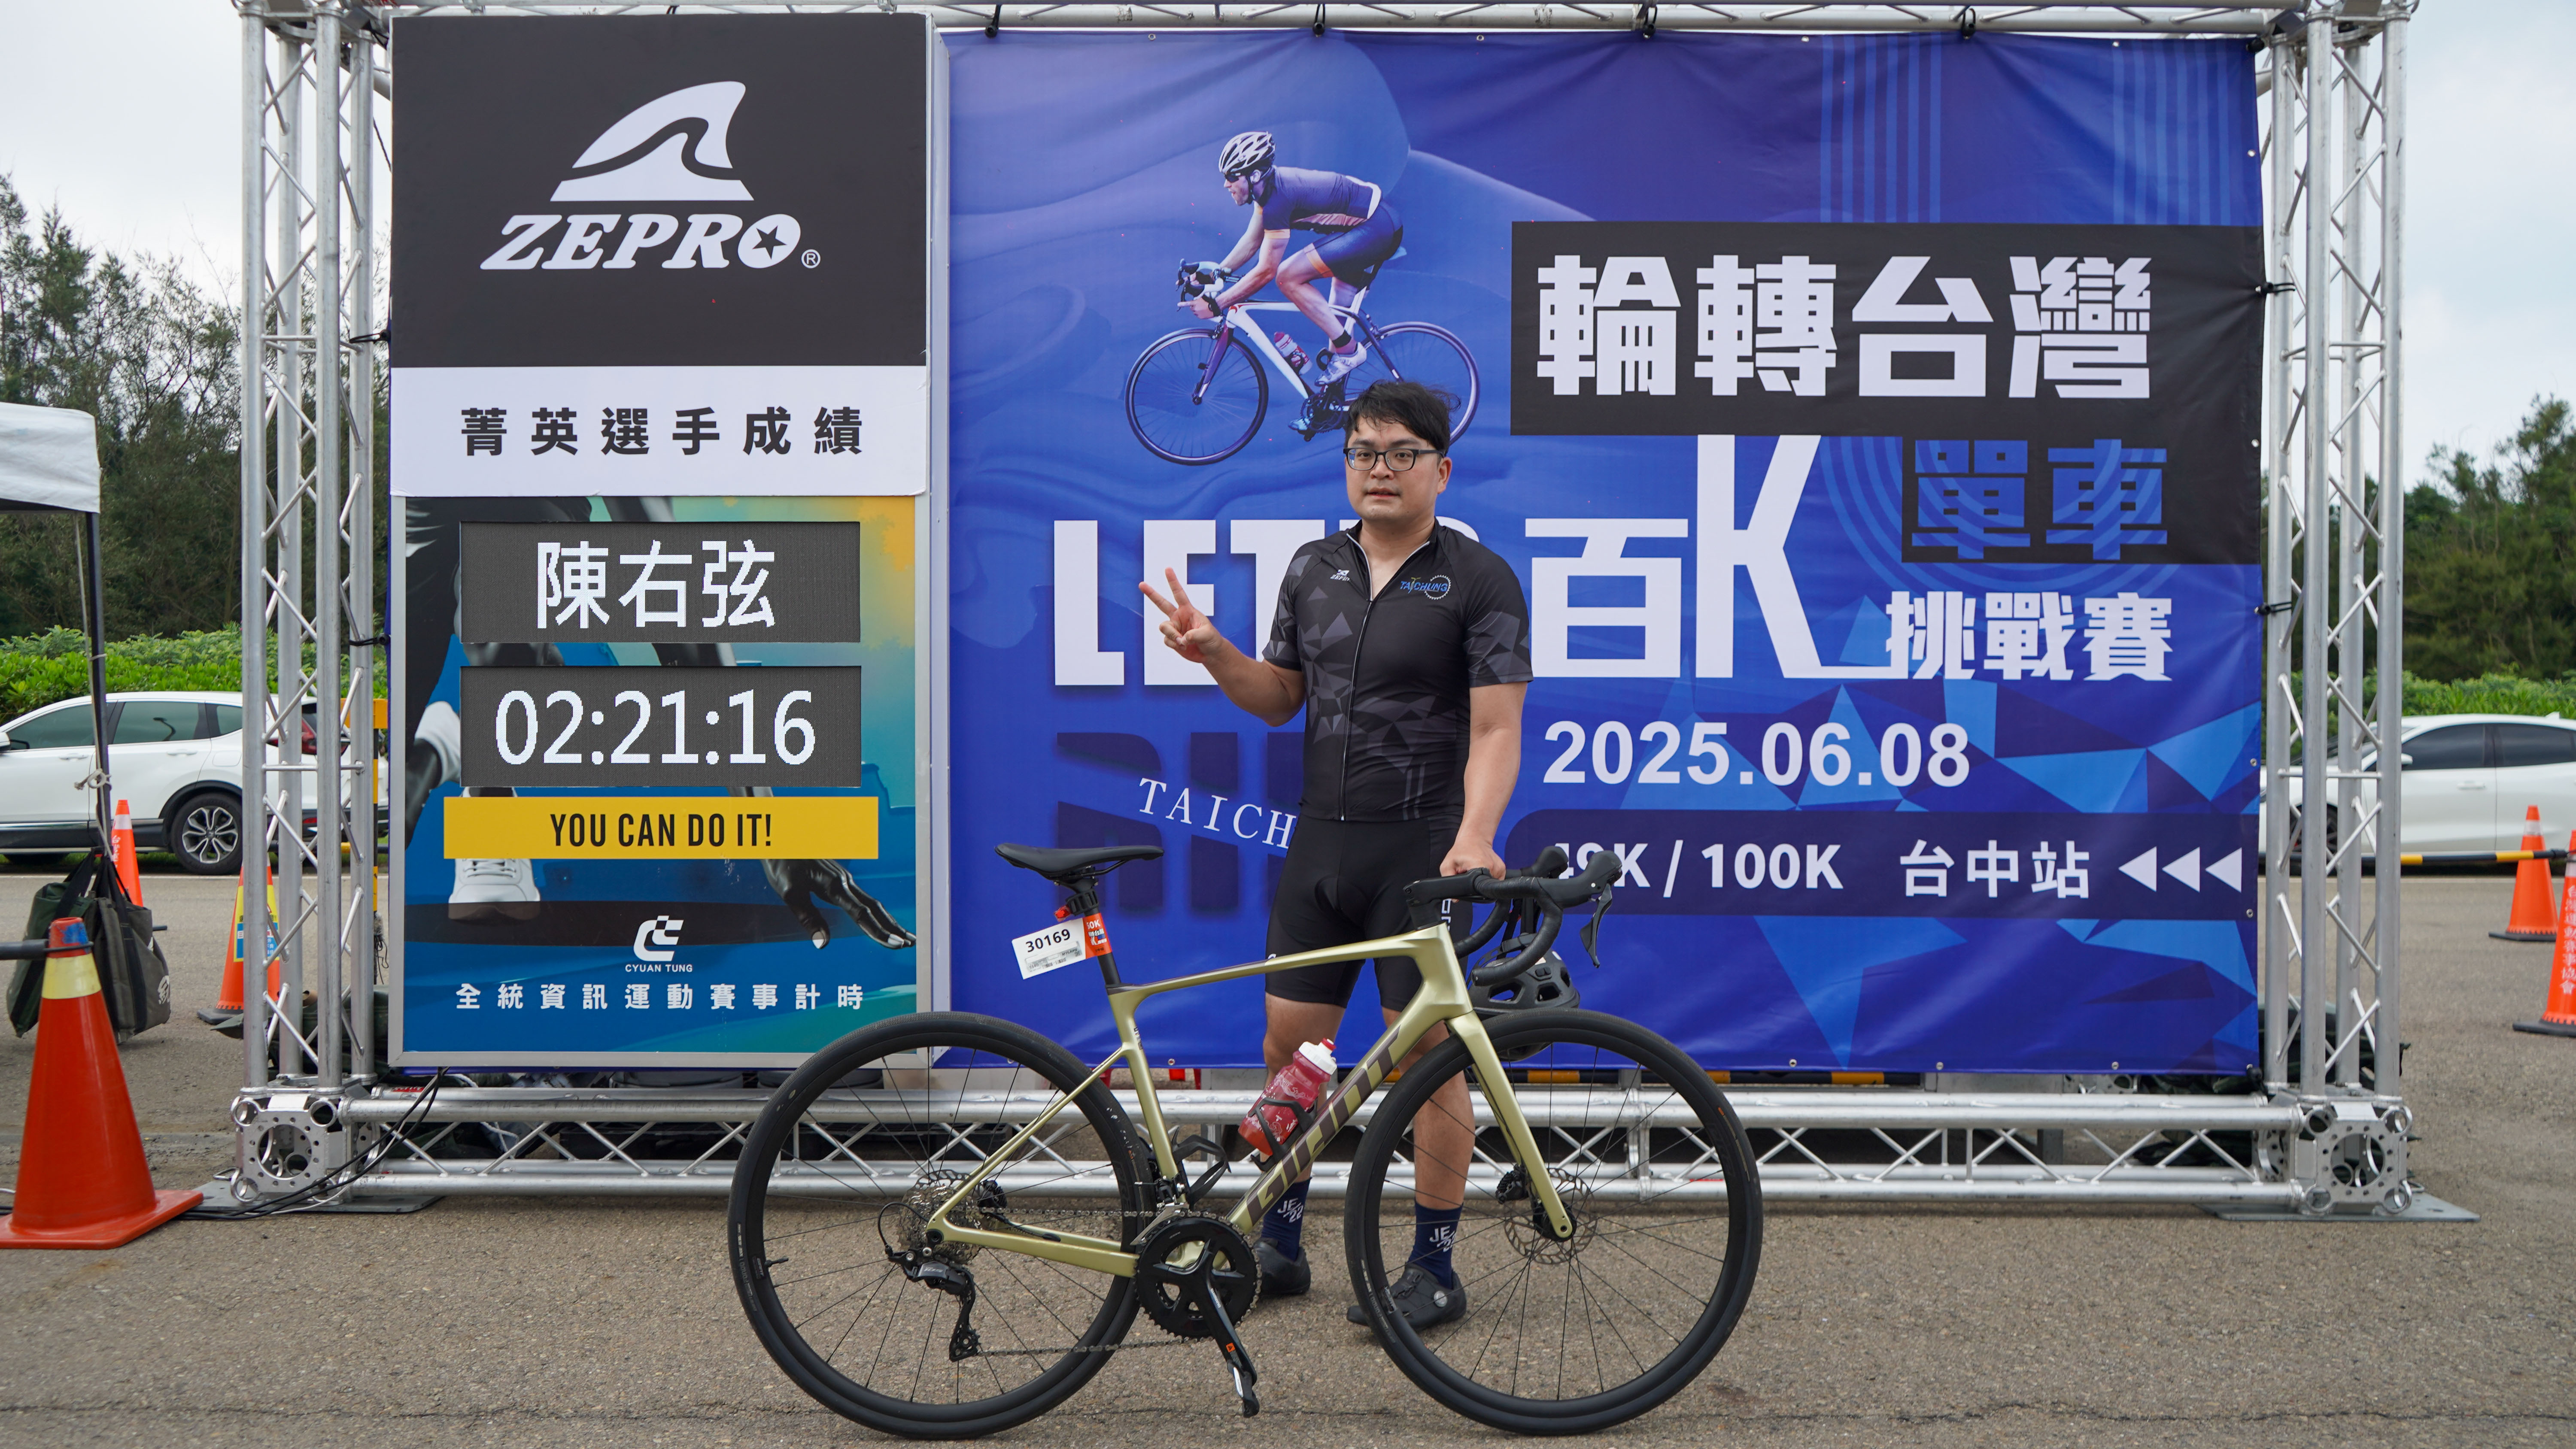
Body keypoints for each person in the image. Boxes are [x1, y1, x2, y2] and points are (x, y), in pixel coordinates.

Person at [1139, 379, 1531, 1331]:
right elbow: (1279, 697)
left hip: (1421, 851)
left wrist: (1476, 834)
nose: (1379, 469)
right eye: (1362, 452)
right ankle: (1279, 1242)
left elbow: (1496, 727)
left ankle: (1433, 1265)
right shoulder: (1313, 566)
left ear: (1442, 469)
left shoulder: (1478, 578)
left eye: (1401, 453)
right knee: (1292, 1049)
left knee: (1427, 1058)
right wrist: (1216, 651)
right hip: (1320, 844)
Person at [1184, 130, 1403, 388]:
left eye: (1232, 176)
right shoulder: (1267, 192)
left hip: (1375, 229)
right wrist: (1215, 273)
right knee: (1335, 327)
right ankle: (1332, 398)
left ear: (1255, 176)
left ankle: (1350, 351)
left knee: (1288, 276)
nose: (1226, 184)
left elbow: (1266, 272)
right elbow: (1252, 241)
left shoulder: (1278, 200)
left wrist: (1217, 304)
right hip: (1373, 225)